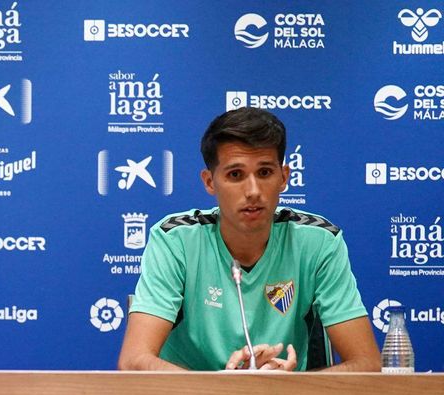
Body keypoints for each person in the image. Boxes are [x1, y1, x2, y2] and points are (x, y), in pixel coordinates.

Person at [118, 108, 379, 372]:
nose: (253, 191)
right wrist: (225, 391)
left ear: (284, 178)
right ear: (210, 182)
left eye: (264, 172)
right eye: (235, 175)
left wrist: (288, 390)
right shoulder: (176, 240)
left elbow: (367, 364)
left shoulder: (319, 241)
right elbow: (134, 361)